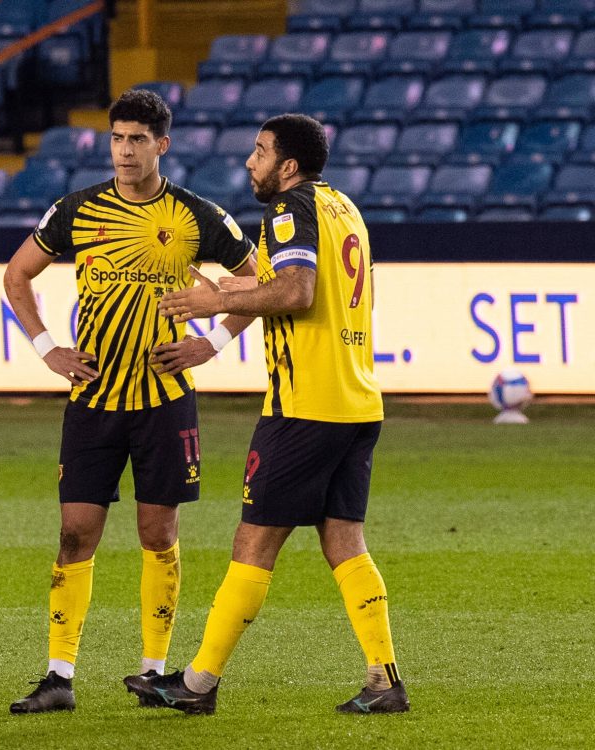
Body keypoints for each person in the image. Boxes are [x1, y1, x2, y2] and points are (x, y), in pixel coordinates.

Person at [125, 113, 409, 715]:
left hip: (304, 406)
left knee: (253, 542)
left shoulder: (287, 210)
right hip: (357, 400)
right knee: (345, 541)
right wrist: (221, 312)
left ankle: (197, 684)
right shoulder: (343, 208)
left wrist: (216, 300)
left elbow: (295, 291)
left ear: (288, 165)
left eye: (259, 153)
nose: (249, 163)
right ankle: (384, 680)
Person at [4, 88, 257, 714]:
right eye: (117, 138)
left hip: (165, 399)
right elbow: (17, 275)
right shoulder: (77, 210)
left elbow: (260, 281)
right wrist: (47, 349)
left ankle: (154, 671)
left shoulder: (198, 217)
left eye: (137, 139)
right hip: (94, 398)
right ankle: (58, 677)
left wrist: (212, 342)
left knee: (157, 530)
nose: (124, 150)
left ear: (161, 145)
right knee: (74, 532)